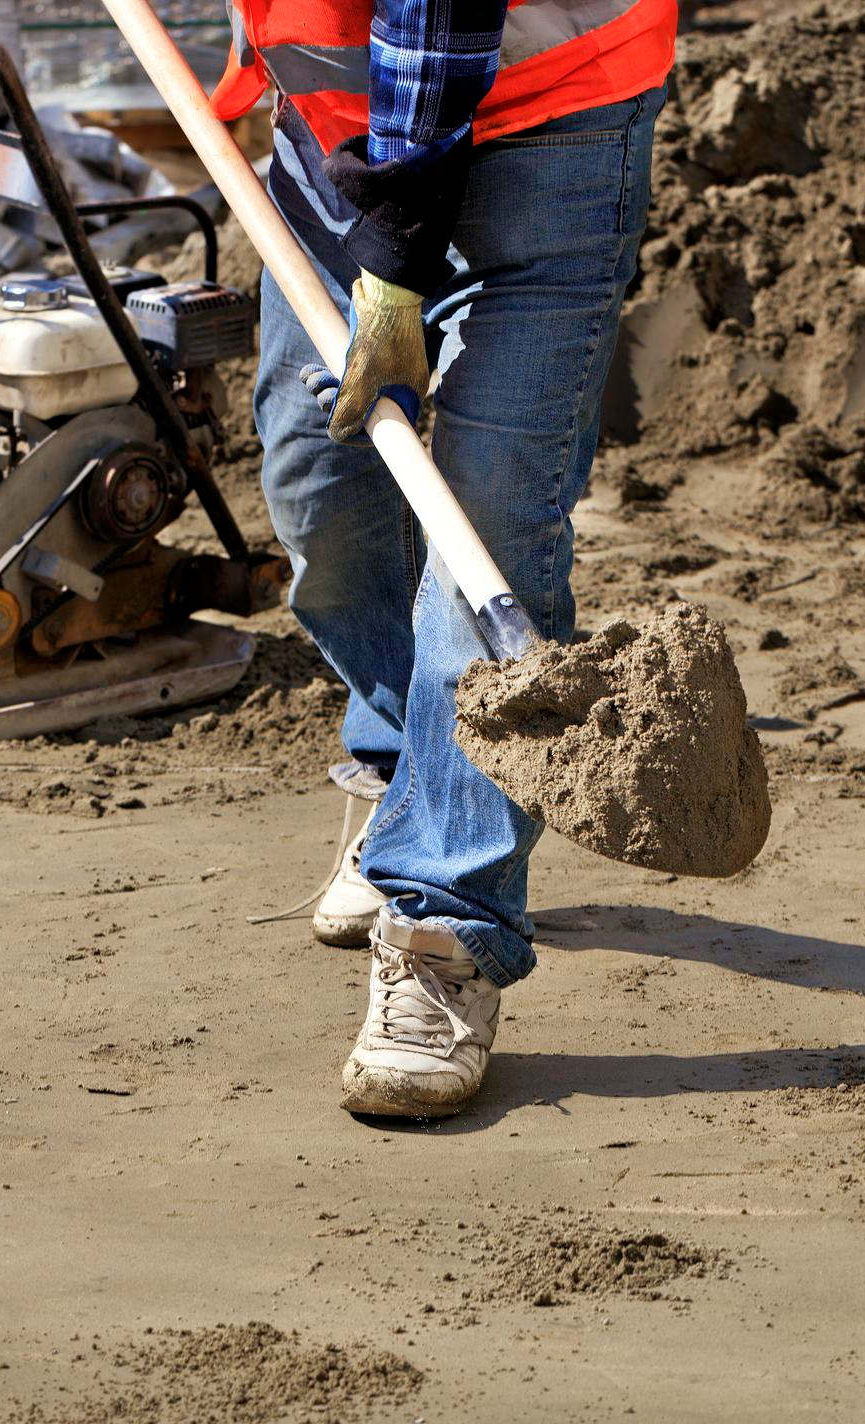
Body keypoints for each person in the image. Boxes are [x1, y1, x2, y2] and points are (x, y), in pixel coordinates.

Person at [213, 0, 677, 1117]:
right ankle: (401, 771)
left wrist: (396, 256)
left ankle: (443, 925)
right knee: (318, 484)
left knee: (490, 523)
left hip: (557, 120)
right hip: (333, 132)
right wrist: (251, 76)